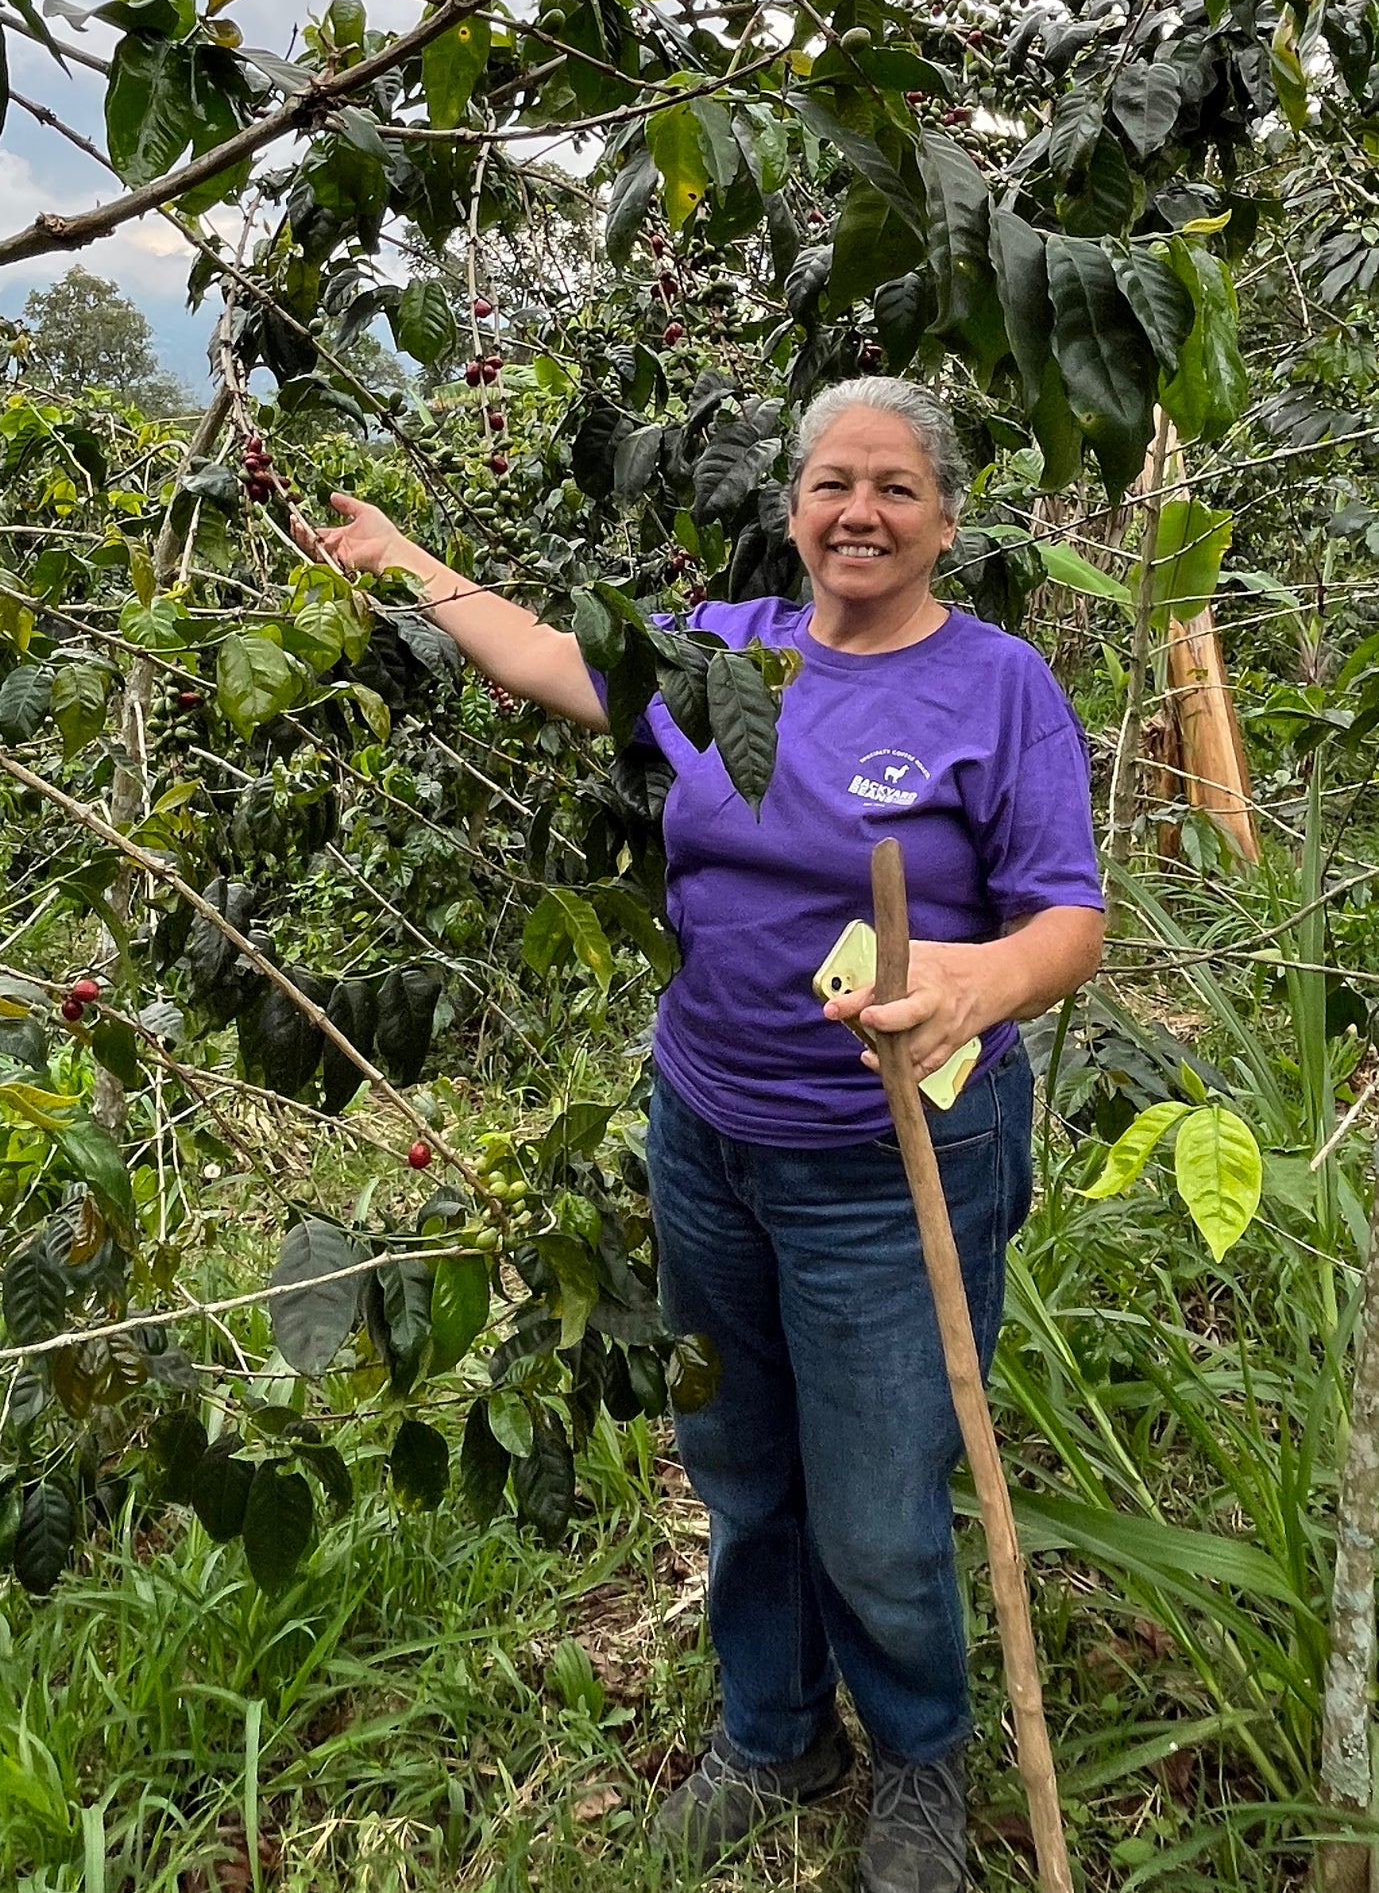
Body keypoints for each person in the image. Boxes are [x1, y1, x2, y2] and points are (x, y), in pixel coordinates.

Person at [297, 376, 1104, 1893]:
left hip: (893, 1161)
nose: (856, 514)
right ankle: (773, 1732)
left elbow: (1069, 917)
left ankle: (920, 1760)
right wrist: (408, 560)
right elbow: (548, 658)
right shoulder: (724, 650)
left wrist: (976, 983)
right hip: (709, 1132)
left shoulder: (997, 686)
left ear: (942, 519)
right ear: (791, 504)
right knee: (737, 1462)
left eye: (893, 489)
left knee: (876, 1500)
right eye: (829, 485)